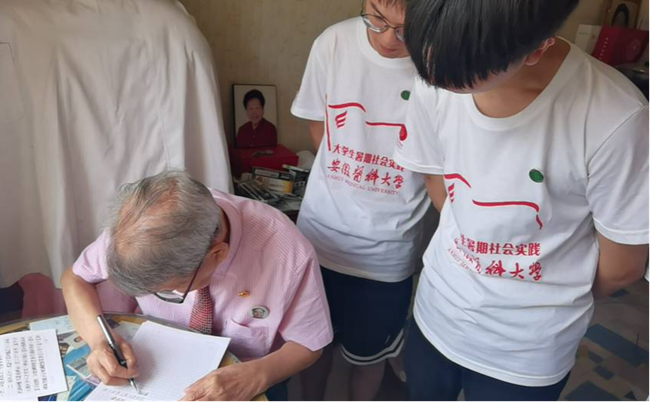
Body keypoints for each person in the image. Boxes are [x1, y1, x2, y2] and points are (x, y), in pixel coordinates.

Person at [395, 1, 650, 401]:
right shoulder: (438, 67)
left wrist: (546, 296)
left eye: (463, 79)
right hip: (436, 313)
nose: (437, 83)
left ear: (538, 47)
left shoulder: (615, 116)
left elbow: (623, 265)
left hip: (526, 354)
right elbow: (437, 179)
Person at [61, 170, 333, 402]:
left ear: (217, 254)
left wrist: (258, 375)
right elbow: (75, 278)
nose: (160, 295)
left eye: (169, 290)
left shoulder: (286, 252)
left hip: (253, 372)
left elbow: (309, 343)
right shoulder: (134, 233)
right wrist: (99, 340)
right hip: (159, 363)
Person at [291, 0, 431, 400]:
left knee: (370, 358)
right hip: (319, 239)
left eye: (406, 30)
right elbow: (318, 125)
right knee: (312, 346)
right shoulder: (333, 43)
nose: (388, 39)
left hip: (388, 253)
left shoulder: (439, 65)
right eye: (377, 19)